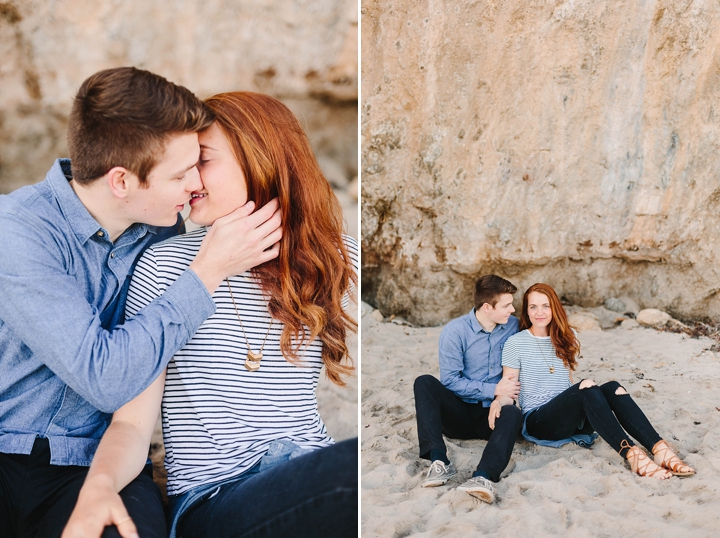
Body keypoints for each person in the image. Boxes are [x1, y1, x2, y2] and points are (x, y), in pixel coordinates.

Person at [0, 67, 282, 538]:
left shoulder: (160, 227)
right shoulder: (20, 230)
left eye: (199, 163)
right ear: (121, 182)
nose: (196, 184)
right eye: (180, 173)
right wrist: (205, 274)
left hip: (95, 460)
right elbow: (104, 378)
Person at [63, 91, 358, 538]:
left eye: (202, 160)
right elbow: (132, 421)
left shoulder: (336, 258)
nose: (187, 179)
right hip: (217, 497)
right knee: (350, 471)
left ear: (259, 159)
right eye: (182, 167)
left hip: (308, 467)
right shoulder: (164, 266)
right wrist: (98, 487)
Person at [498, 282, 696, 479]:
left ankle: (659, 448)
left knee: (613, 388)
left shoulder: (566, 336)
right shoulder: (516, 343)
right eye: (533, 307)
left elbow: (567, 381)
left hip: (568, 417)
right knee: (586, 386)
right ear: (526, 310)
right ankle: (632, 454)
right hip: (538, 421)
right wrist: (498, 404)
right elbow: (509, 388)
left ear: (554, 308)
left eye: (545, 306)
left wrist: (582, 397)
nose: (539, 312)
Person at [413, 275, 523, 504]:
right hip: (458, 415)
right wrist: (493, 389)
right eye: (506, 305)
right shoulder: (455, 332)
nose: (512, 310)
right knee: (424, 382)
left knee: (513, 413)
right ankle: (439, 461)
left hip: (491, 417)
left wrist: (500, 397)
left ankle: (483, 477)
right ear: (487, 307)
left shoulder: (514, 326)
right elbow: (451, 381)